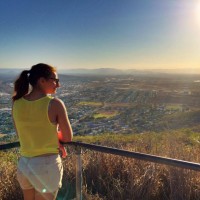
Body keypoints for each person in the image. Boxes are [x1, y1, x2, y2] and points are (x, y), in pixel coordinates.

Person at [12, 63, 73, 200]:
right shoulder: (55, 104)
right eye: (55, 80)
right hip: (46, 166)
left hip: (24, 164)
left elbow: (22, 134)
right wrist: (56, 138)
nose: (58, 85)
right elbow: (68, 137)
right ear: (42, 80)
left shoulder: (16, 104)